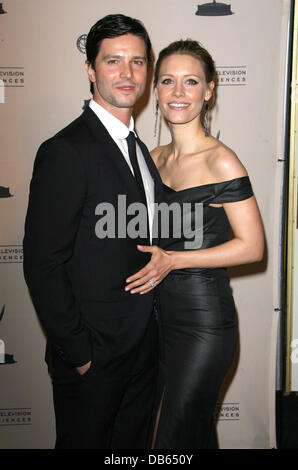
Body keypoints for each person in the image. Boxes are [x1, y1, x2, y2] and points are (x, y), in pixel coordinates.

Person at [23, 14, 163, 449]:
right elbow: (43, 263)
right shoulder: (66, 150)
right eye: (113, 61)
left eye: (138, 62)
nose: (127, 74)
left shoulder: (139, 148)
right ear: (90, 70)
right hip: (95, 356)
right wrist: (80, 354)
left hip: (144, 347)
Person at [125, 39, 264, 448]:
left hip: (204, 323)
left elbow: (252, 247)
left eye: (191, 82)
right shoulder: (152, 158)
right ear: (156, 90)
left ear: (209, 90)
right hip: (156, 320)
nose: (178, 93)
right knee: (186, 436)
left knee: (171, 438)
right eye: (168, 81)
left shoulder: (221, 160)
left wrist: (174, 260)